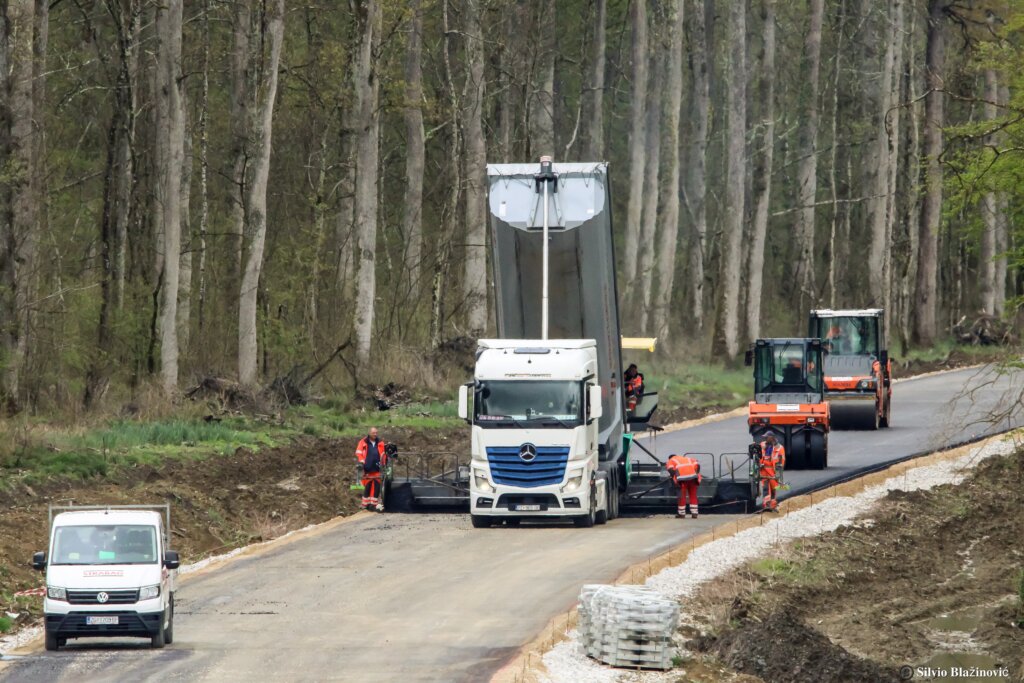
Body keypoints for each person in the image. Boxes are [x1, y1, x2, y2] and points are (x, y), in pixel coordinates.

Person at [355, 427, 388, 511]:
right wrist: (362, 462)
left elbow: (384, 454)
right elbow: (359, 453)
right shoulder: (363, 442)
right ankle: (365, 504)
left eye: (376, 433)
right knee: (368, 486)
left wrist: (384, 464)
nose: (375, 434)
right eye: (373, 433)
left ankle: (373, 504)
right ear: (369, 433)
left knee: (377, 486)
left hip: (377, 468)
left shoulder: (380, 442)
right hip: (368, 468)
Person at [756, 432, 786, 511]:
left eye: (766, 437)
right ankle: (766, 505)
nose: (765, 438)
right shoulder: (762, 444)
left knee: (773, 488)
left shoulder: (779, 448)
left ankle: (772, 505)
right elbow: (757, 453)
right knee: (765, 487)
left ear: (772, 437)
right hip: (764, 469)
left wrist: (778, 472)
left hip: (773, 470)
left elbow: (781, 460)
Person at [666, 454, 701, 519]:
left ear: (670, 458)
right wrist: (695, 474)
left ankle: (681, 514)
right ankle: (694, 513)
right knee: (693, 495)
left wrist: (673, 476)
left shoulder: (671, 460)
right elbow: (698, 465)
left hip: (682, 480)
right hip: (693, 478)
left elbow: (670, 470)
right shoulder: (688, 458)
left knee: (682, 496)